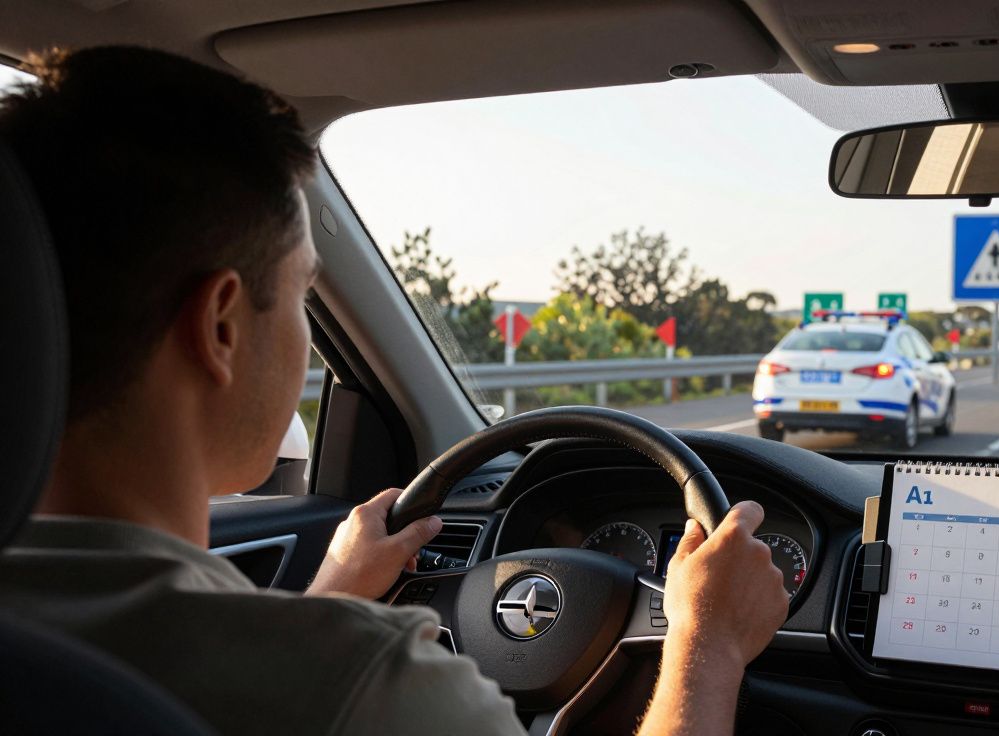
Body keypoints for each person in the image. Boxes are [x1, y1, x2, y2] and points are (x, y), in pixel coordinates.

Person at [0, 46, 788, 735]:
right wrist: (706, 648)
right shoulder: (370, 687)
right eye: (306, 292)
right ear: (222, 328)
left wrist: (332, 597)